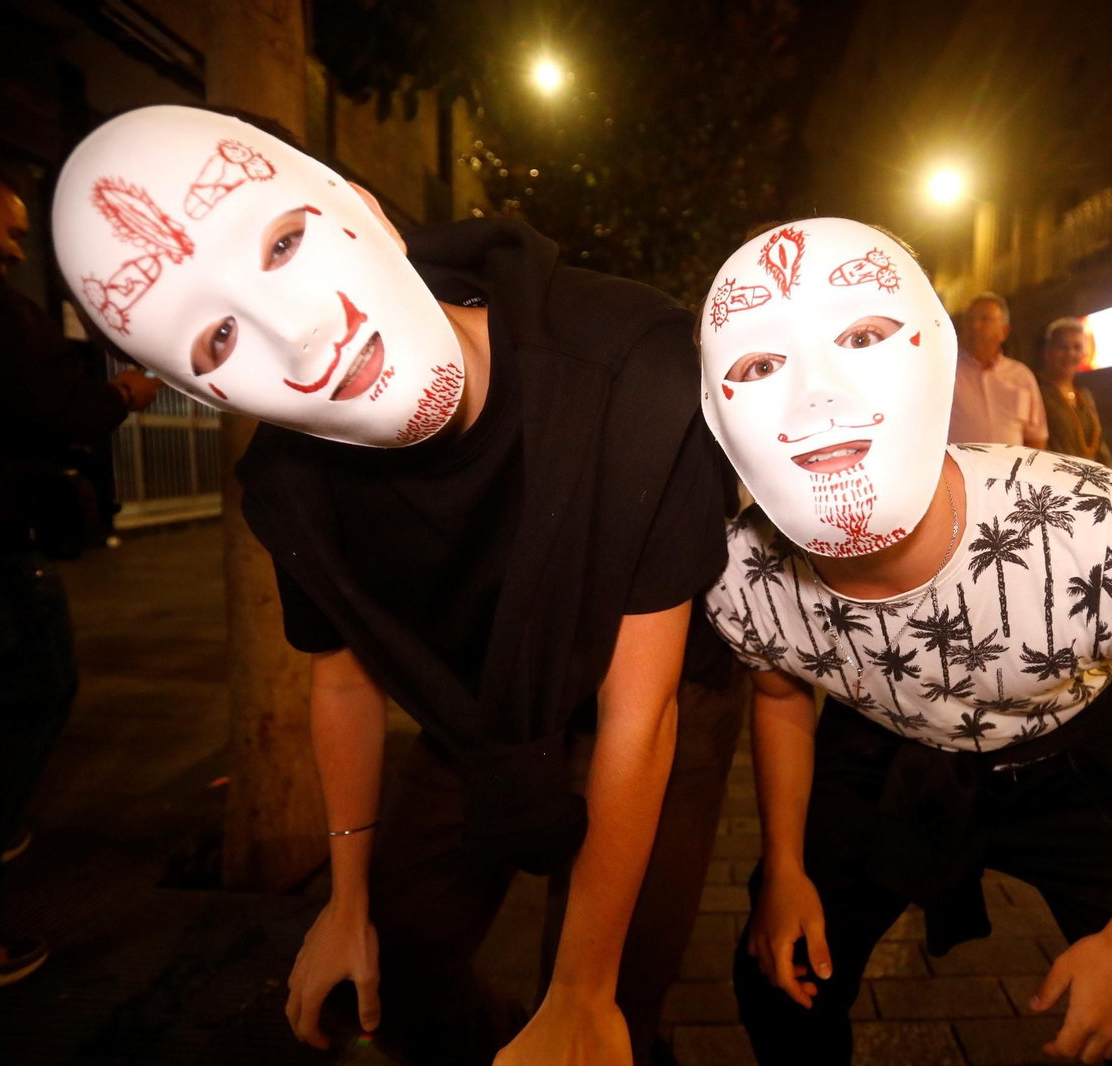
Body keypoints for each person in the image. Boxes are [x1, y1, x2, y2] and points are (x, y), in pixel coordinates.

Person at [50, 106, 742, 1066]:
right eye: (214, 343)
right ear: (207, 399)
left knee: (614, 989)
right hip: (480, 713)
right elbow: (341, 680)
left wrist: (583, 992)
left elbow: (644, 707)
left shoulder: (632, 360)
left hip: (660, 695)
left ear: (363, 208)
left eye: (285, 242)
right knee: (402, 967)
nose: (303, 341)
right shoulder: (292, 493)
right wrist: (346, 896)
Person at [697, 218, 1112, 1064]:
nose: (817, 395)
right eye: (757, 365)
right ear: (716, 408)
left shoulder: (1096, 528)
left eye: (863, 336)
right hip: (882, 745)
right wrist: (784, 868)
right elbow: (782, 693)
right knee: (778, 976)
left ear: (932, 350)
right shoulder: (740, 575)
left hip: (1077, 750)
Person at [0, 148, 159, 992]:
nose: (17, 252)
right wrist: (123, 391)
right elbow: (56, 403)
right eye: (10, 230)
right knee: (21, 701)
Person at [947, 291, 1047, 448]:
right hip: (958, 471)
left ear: (1004, 332)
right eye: (970, 319)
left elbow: (1036, 437)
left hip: (1010, 471)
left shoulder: (1021, 376)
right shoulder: (946, 371)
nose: (975, 325)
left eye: (985, 320)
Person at [1038, 316, 1112, 468]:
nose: (1070, 354)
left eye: (1077, 347)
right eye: (1063, 347)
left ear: (1084, 354)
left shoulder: (1084, 396)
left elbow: (1098, 445)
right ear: (1048, 352)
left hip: (1092, 482)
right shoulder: (1037, 393)